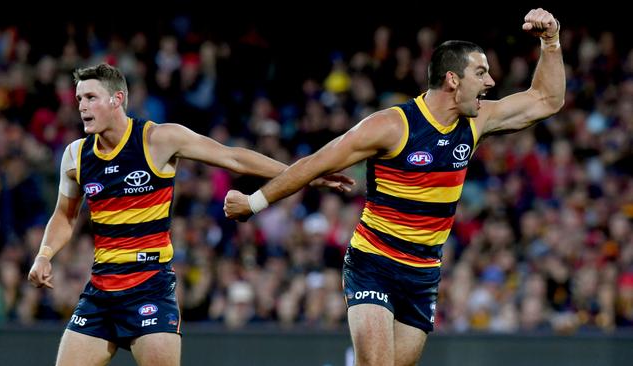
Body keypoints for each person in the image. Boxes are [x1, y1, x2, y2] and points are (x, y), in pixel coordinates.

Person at [224, 8, 564, 366]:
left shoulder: (477, 123)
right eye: (481, 73)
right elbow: (313, 164)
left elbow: (547, 100)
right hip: (375, 262)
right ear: (452, 79)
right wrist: (253, 202)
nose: (491, 82)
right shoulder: (392, 126)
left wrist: (551, 40)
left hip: (423, 273)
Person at [27, 63, 353, 366]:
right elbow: (64, 216)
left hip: (148, 286)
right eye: (79, 98)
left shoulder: (158, 139)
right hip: (100, 291)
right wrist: (44, 254)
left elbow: (233, 158)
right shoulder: (75, 156)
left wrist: (306, 174)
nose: (81, 106)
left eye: (90, 97)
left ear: (117, 99)